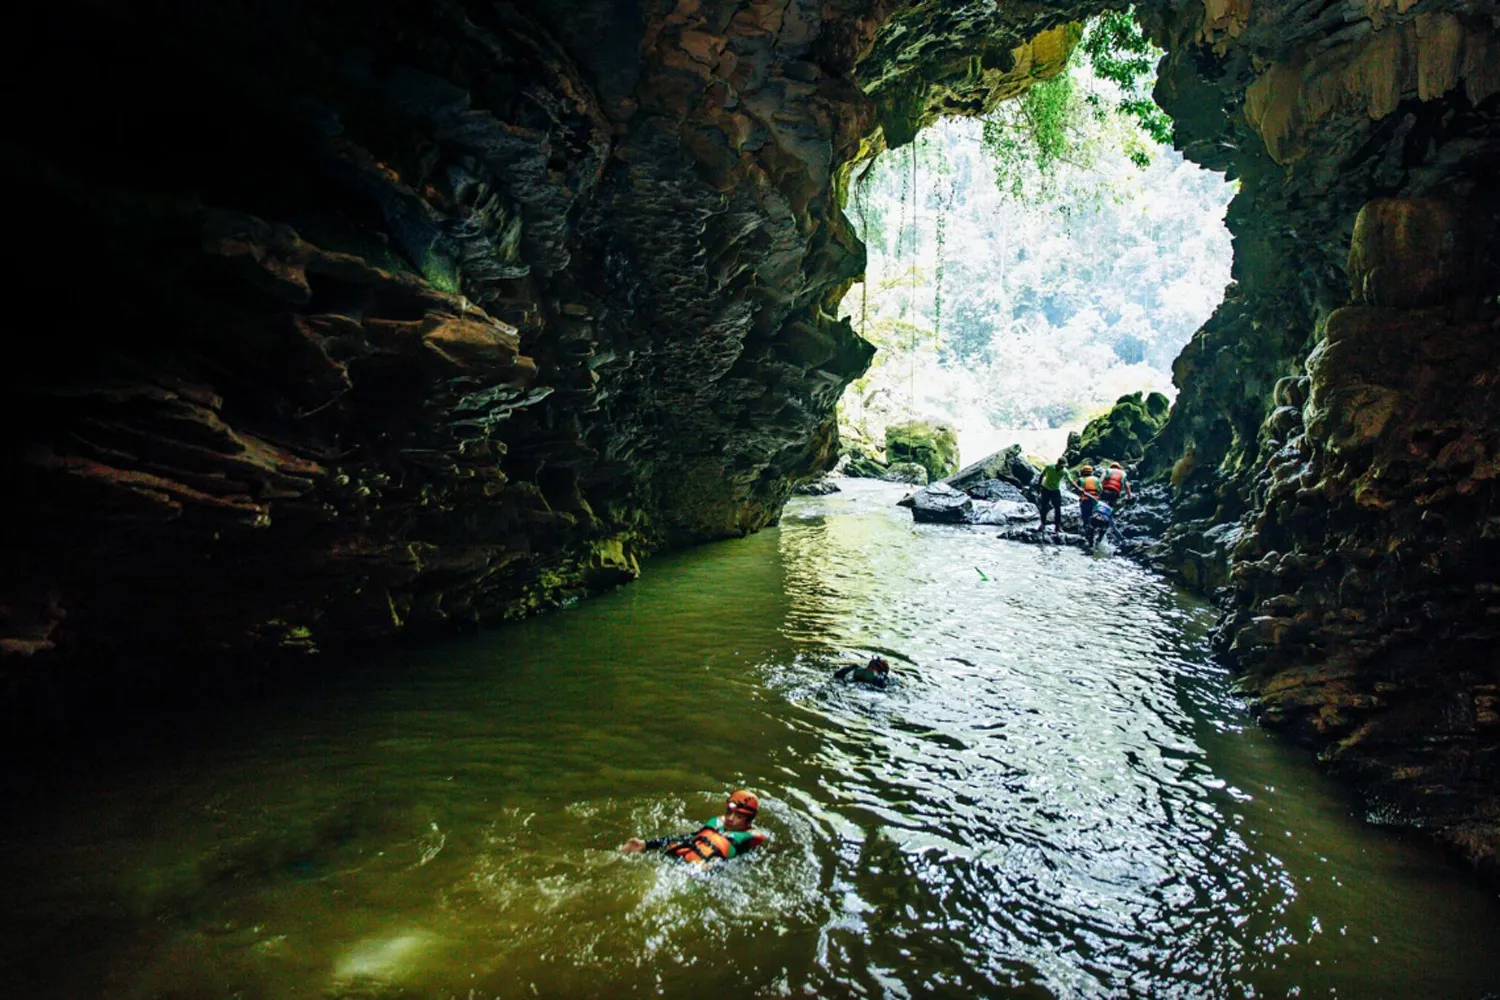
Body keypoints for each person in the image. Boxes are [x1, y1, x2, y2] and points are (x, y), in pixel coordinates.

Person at [620, 790, 768, 864]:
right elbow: (689, 837)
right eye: (729, 812)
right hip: (683, 858)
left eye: (738, 816)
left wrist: (715, 868)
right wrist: (646, 844)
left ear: (748, 821)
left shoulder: (750, 837)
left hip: (708, 871)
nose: (730, 818)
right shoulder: (716, 823)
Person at [1070, 464, 1102, 545]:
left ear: (1083, 472)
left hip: (1085, 501)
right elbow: (1100, 489)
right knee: (1093, 516)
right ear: (1091, 472)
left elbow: (1075, 488)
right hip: (1095, 501)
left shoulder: (1081, 480)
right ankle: (1094, 532)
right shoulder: (1096, 479)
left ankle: (1088, 535)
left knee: (1086, 517)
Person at [1036, 457, 1066, 533]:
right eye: (1062, 465)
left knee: (1058, 508)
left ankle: (1057, 526)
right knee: (1044, 507)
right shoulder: (1049, 467)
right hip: (1046, 489)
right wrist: (1039, 486)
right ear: (1058, 464)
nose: (1063, 467)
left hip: (1055, 490)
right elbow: (1042, 475)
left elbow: (1070, 480)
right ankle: (1043, 524)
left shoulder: (1064, 471)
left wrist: (1078, 488)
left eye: (1064, 466)